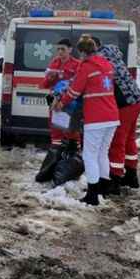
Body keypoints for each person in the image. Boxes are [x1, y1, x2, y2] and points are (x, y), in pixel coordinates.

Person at [53, 34, 120, 205]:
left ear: (82, 53)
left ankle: (92, 195)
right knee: (102, 152)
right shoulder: (106, 64)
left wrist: (61, 103)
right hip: (112, 116)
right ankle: (102, 189)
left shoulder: (87, 66)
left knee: (89, 155)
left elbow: (75, 90)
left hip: (96, 117)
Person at [93, 38, 140, 194]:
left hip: (124, 104)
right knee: (129, 139)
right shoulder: (113, 55)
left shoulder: (100, 62)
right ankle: (131, 175)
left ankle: (114, 181)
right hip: (136, 100)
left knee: (116, 141)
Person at [41, 38, 81, 147]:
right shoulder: (54, 62)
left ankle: (73, 157)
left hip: (69, 102)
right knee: (56, 131)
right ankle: (56, 154)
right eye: (58, 49)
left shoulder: (77, 64)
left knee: (72, 131)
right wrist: (50, 78)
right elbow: (44, 84)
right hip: (54, 102)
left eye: (63, 49)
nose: (60, 52)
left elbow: (79, 84)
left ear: (70, 49)